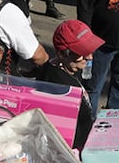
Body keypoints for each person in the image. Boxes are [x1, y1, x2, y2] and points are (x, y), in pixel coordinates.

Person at [34, 20, 103, 148]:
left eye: (90, 50)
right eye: (82, 53)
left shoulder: (65, 66)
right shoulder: (61, 86)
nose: (89, 58)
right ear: (61, 53)